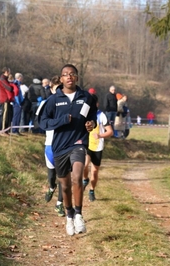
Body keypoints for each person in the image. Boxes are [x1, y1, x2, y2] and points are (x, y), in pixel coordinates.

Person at [39, 64, 97, 236]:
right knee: (64, 186)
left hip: (79, 143)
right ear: (61, 79)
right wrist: (62, 120)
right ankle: (69, 216)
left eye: (72, 74)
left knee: (77, 177)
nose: (69, 77)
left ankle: (79, 214)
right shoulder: (53, 100)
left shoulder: (86, 97)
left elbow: (92, 114)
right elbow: (43, 123)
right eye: (65, 74)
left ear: (77, 77)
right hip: (59, 146)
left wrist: (91, 124)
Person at [40, 76, 65, 216]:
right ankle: (51, 186)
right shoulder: (46, 103)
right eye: (55, 89)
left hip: (63, 145)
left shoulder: (68, 103)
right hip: (49, 144)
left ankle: (59, 204)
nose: (58, 92)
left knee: (63, 176)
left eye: (60, 89)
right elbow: (40, 122)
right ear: (51, 90)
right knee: (51, 175)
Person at [82, 93, 113, 201]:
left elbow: (110, 132)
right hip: (86, 145)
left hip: (97, 147)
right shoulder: (83, 115)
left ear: (97, 104)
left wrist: (100, 135)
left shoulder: (101, 115)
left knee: (94, 172)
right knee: (84, 165)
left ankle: (91, 190)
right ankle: (85, 179)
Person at [0, 67, 16, 133]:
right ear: (6, 72)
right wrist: (12, 85)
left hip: (7, 100)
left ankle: (6, 130)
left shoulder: (5, 79)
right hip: (4, 99)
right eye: (9, 71)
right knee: (4, 115)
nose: (10, 73)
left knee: (8, 115)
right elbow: (9, 88)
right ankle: (3, 129)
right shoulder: (2, 79)